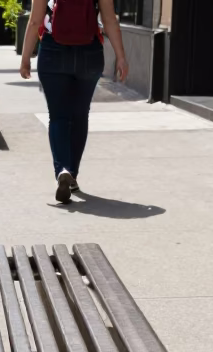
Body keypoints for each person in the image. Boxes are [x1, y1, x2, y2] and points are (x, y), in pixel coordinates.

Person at [19, 0, 127, 203]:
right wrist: (121, 56)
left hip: (53, 52)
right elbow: (109, 19)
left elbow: (34, 21)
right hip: (90, 53)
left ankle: (63, 169)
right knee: (80, 115)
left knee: (58, 116)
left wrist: (25, 58)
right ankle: (72, 175)